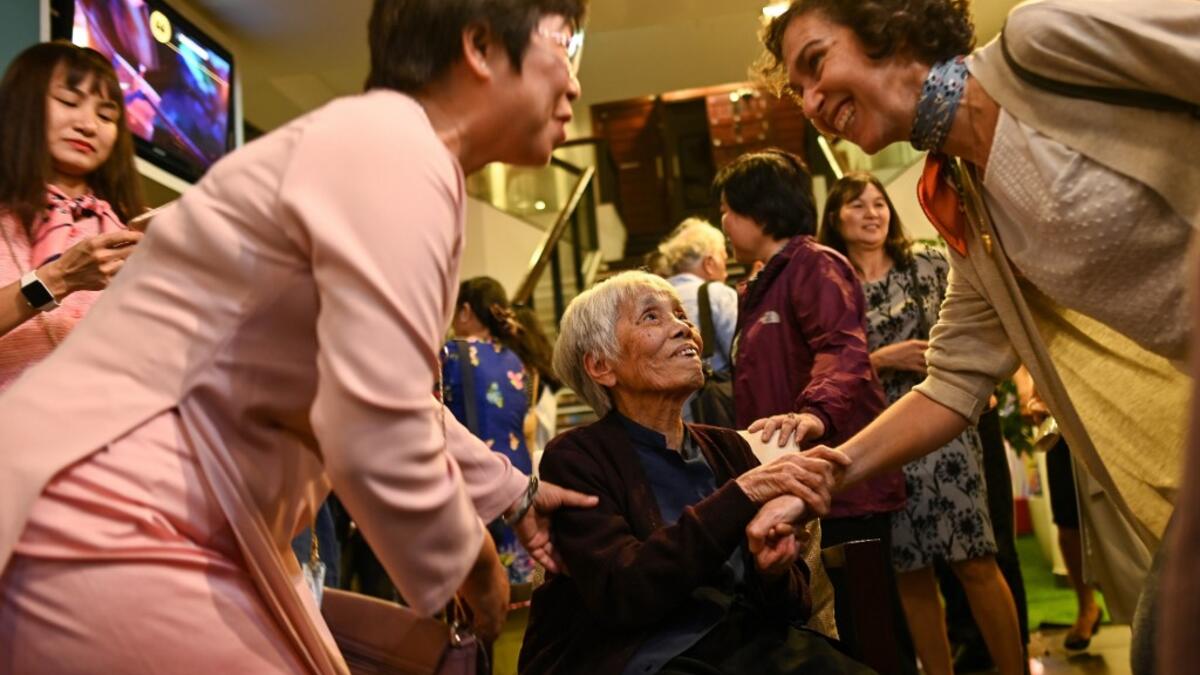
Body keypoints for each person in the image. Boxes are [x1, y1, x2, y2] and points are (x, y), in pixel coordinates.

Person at [0, 1, 597, 673]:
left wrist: (509, 498)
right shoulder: (393, 151)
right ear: (481, 47)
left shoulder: (394, 151)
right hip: (104, 516)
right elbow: (374, 415)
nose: (574, 83)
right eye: (564, 44)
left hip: (176, 518)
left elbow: (380, 390)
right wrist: (475, 564)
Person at [751, 1, 1196, 670]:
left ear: (888, 24)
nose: (811, 100)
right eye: (798, 91)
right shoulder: (965, 201)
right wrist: (821, 475)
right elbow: (953, 381)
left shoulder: (1040, 42)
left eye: (815, 63)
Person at [518, 271, 869, 675]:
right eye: (651, 317)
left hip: (747, 646)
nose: (684, 328)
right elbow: (625, 593)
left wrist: (772, 574)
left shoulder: (729, 449)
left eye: (682, 315)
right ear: (601, 366)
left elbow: (793, 608)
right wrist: (741, 494)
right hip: (642, 658)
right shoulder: (576, 458)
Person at [715, 149, 912, 667]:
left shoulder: (815, 266)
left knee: (868, 631)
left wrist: (814, 413)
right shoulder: (762, 284)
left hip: (843, 486)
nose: (723, 224)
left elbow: (843, 350)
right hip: (795, 482)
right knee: (828, 630)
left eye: (727, 210)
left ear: (757, 209)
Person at [819, 172, 1022, 675]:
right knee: (910, 571)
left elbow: (981, 317)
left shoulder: (928, 263)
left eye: (880, 202)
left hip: (946, 427)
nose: (873, 212)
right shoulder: (832, 285)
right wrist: (881, 359)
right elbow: (827, 364)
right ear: (834, 218)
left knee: (974, 559)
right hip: (882, 435)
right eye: (857, 205)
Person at [0, 42, 145, 391]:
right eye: (69, 102)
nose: (88, 125)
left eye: (106, 115)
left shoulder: (130, 228)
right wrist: (59, 278)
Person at [443, 276, 551, 586]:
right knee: (516, 583)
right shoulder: (516, 359)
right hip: (514, 474)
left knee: (478, 583)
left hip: (473, 476)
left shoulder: (450, 354)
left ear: (465, 310)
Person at [1014, 366, 1102, 650]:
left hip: (1101, 406)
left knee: (1121, 519)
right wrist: (1027, 389)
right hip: (1058, 415)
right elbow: (1019, 348)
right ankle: (1087, 606)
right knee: (1067, 520)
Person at [657, 217, 737, 423]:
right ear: (709, 264)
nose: (726, 271)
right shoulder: (716, 293)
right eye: (724, 259)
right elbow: (742, 355)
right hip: (714, 414)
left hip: (666, 417)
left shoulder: (653, 297)